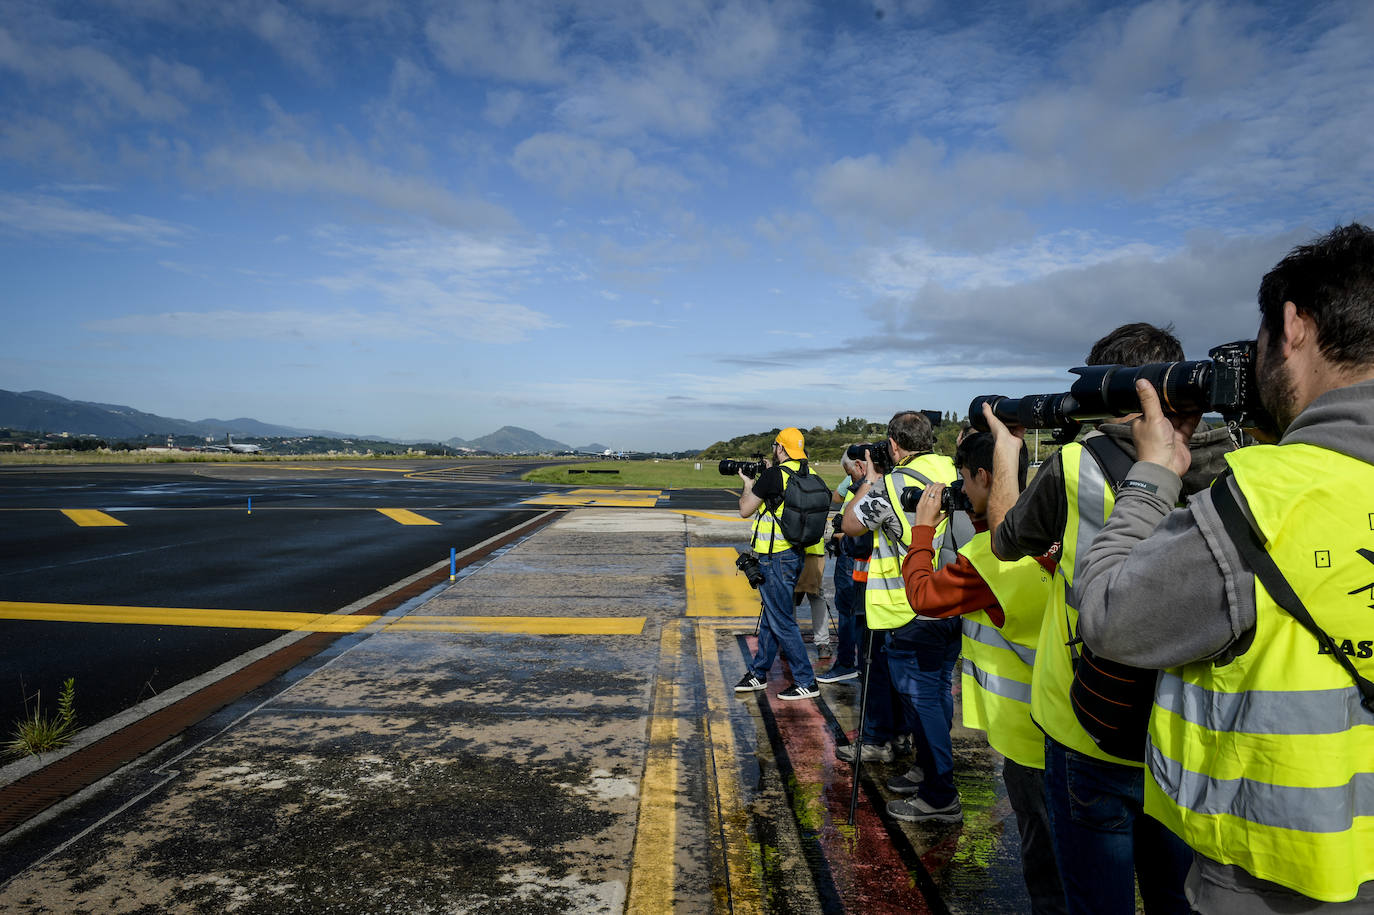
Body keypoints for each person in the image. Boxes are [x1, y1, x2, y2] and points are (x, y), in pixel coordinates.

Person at [1074, 224, 1374, 911]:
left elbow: (1110, 617)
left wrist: (1153, 474)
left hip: (1270, 877)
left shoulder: (1262, 496)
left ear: (1293, 324)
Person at [986, 322, 1234, 915]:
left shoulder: (1075, 464)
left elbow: (1003, 542)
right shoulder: (1236, 465)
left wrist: (1006, 450)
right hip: (1185, 727)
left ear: (1110, 390)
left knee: (1097, 903)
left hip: (1085, 721)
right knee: (1179, 897)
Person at [899, 431, 1066, 913]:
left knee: (1046, 863)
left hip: (1029, 736)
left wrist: (924, 528)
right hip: (1078, 717)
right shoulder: (1058, 530)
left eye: (966, 481)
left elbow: (925, 598)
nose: (962, 489)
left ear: (985, 476)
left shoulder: (986, 559)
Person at [841, 410, 962, 818]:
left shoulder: (893, 484)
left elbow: (851, 525)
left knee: (923, 699)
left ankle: (940, 793)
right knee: (938, 692)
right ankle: (927, 769)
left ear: (894, 446)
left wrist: (871, 480)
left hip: (909, 607)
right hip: (952, 602)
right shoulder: (951, 469)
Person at [734, 427, 823, 701]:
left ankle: (806, 680)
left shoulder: (774, 476)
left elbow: (745, 509)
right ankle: (759, 672)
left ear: (780, 448)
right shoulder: (808, 473)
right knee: (773, 617)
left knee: (782, 621)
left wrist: (749, 484)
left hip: (774, 559)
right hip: (794, 554)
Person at [817, 449, 863, 683]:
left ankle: (846, 662)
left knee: (847, 609)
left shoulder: (864, 488)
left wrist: (841, 535)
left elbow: (857, 529)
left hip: (853, 555)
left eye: (850, 474)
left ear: (859, 466)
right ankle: (863, 661)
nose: (850, 479)